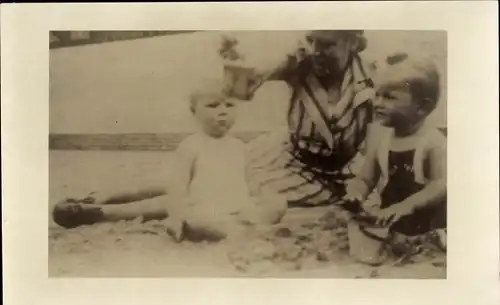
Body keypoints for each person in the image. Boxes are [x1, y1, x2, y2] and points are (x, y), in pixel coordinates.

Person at [53, 79, 286, 242]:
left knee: (278, 204)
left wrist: (262, 198)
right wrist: (176, 216)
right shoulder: (191, 146)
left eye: (229, 105)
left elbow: (246, 180)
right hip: (203, 208)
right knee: (194, 219)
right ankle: (97, 210)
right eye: (212, 105)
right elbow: (177, 188)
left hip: (237, 208)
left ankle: (240, 226)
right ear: (193, 111)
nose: (222, 111)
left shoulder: (239, 146)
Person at [228, 30, 376, 208]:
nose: (315, 51)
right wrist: (243, 70)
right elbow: (260, 71)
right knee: (260, 194)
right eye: (311, 41)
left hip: (347, 168)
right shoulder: (299, 65)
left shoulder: (371, 78)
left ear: (353, 44)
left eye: (327, 44)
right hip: (295, 163)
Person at [342, 52, 447, 251]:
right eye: (377, 94)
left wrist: (409, 205)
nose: (377, 103)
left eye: (389, 97)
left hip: (428, 220)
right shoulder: (381, 138)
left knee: (424, 240)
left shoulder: (433, 142)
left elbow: (439, 186)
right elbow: (366, 178)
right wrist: (356, 192)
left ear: (422, 107)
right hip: (391, 216)